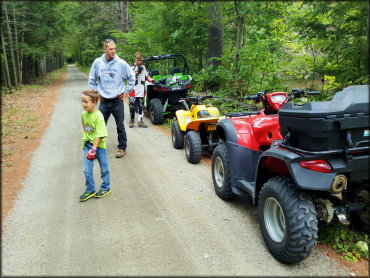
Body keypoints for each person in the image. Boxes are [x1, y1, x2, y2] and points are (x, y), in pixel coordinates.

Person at [88, 39, 135, 158]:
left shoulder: (121, 63)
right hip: (104, 101)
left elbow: (131, 78)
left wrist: (125, 92)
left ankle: (122, 148)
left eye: (114, 49)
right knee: (100, 126)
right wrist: (97, 93)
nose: (113, 51)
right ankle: (96, 149)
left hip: (117, 101)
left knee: (120, 125)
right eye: (111, 49)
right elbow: (91, 80)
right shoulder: (98, 63)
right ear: (105, 49)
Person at [80, 89, 110, 201]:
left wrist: (94, 148)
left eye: (86, 102)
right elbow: (86, 130)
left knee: (104, 168)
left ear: (94, 103)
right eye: (82, 101)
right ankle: (90, 190)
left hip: (99, 146)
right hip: (88, 145)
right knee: (86, 169)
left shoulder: (99, 116)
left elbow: (99, 134)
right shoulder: (83, 115)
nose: (83, 104)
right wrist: (88, 145)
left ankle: (106, 187)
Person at [129, 52, 154, 128]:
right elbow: (130, 78)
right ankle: (132, 120)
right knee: (132, 107)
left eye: (140, 60)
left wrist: (153, 80)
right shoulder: (131, 68)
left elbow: (147, 76)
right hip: (133, 91)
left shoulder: (143, 67)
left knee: (141, 106)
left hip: (141, 91)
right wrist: (137, 72)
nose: (139, 62)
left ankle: (140, 121)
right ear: (135, 59)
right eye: (138, 60)